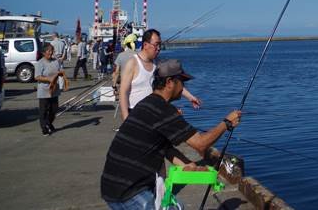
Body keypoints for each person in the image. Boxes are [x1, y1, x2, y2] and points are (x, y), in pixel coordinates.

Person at [100, 60, 241, 209]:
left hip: (112, 185)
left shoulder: (147, 103)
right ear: (169, 82)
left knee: (177, 206)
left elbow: (166, 149)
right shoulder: (163, 110)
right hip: (130, 192)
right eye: (182, 82)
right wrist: (226, 123)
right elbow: (201, 144)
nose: (183, 87)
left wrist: (188, 164)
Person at [119, 29, 201, 121]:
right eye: (156, 45)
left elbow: (172, 83)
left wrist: (190, 97)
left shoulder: (158, 63)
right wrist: (125, 117)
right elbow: (123, 92)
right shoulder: (132, 63)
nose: (158, 48)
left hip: (154, 112)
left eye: (160, 44)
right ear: (145, 45)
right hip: (135, 112)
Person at [34, 43, 63, 135]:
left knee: (54, 109)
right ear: (43, 52)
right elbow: (37, 77)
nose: (51, 53)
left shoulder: (55, 61)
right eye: (49, 51)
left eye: (52, 51)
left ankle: (49, 123)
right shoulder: (40, 63)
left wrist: (61, 74)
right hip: (44, 90)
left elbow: (59, 70)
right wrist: (48, 79)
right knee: (43, 110)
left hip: (54, 89)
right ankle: (44, 128)